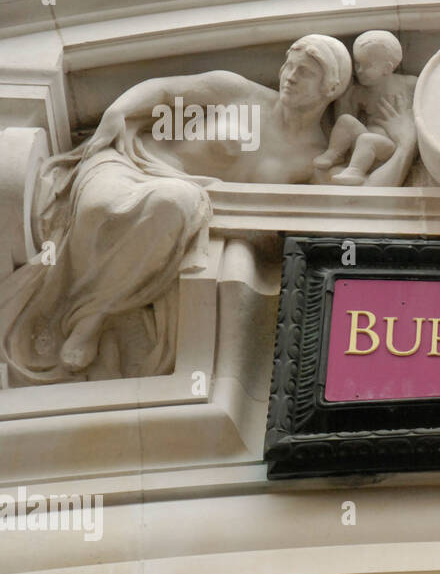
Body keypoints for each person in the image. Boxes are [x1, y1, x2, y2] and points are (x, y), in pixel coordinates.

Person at [0, 34, 415, 385]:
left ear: (332, 88)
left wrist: (406, 143)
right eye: (290, 65)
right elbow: (164, 92)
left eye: (305, 72)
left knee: (172, 204)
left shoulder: (315, 158)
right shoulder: (238, 91)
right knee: (110, 206)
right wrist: (116, 112)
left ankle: (91, 316)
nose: (289, 76)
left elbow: (358, 203)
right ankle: (67, 300)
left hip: (178, 203)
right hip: (131, 164)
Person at [315, 31, 417, 185]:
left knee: (366, 139)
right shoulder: (359, 92)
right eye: (357, 63)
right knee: (346, 121)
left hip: (388, 145)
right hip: (366, 138)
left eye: (367, 65)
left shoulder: (409, 84)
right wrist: (345, 97)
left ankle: (355, 170)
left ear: (388, 68)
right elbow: (344, 118)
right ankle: (335, 153)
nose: (359, 70)